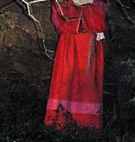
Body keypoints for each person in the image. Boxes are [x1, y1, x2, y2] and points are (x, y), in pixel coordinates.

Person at [44, 0, 107, 131]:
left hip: (88, 43)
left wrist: (85, 12)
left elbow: (98, 19)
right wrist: (83, 12)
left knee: (87, 84)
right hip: (69, 43)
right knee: (66, 81)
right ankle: (61, 122)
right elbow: (61, 16)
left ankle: (87, 123)